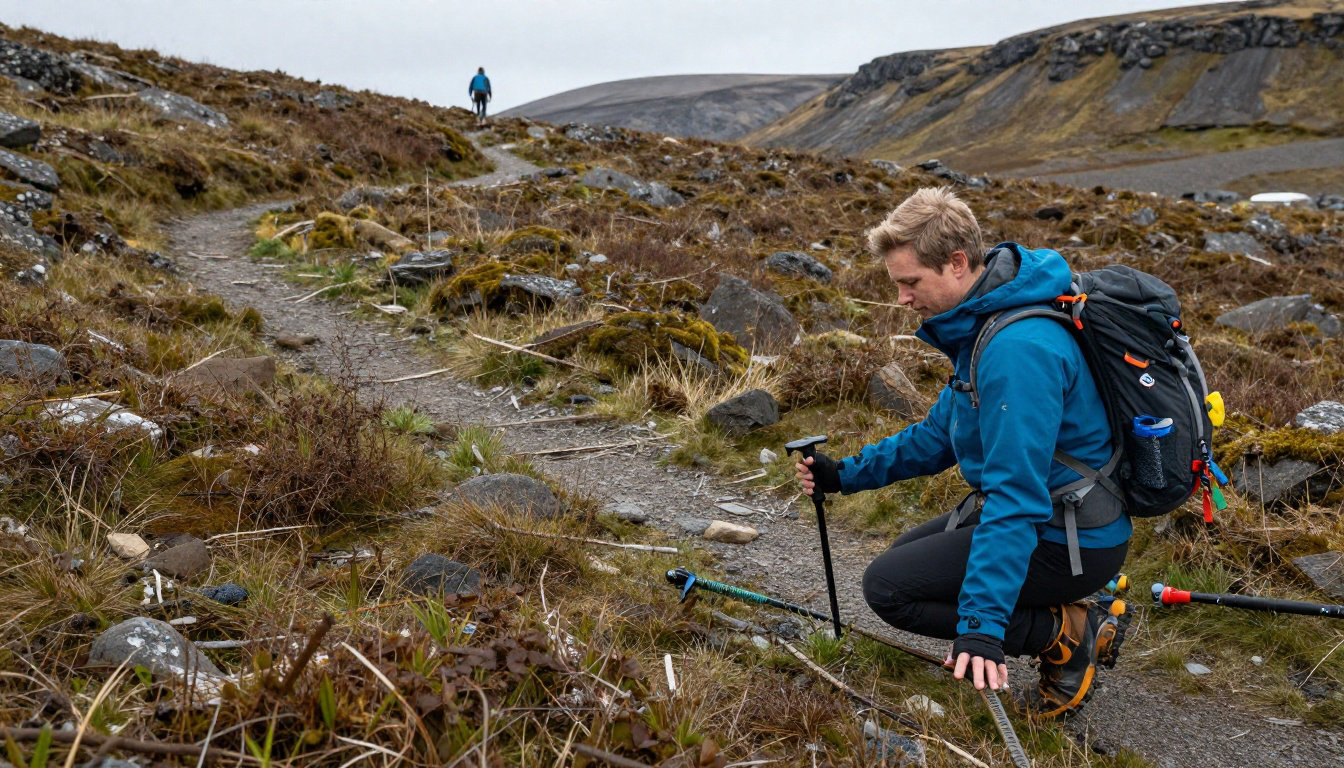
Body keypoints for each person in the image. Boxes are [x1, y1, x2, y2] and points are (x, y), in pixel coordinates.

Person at [795, 186, 1131, 718]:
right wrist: (846, 475)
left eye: (910, 282)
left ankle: (1066, 633)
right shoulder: (986, 321)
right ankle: (1064, 614)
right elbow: (938, 436)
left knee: (889, 590)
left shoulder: (1016, 350)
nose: (903, 299)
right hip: (1057, 519)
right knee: (903, 564)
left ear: (956, 263)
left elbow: (1016, 499)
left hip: (1071, 538)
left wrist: (981, 628)